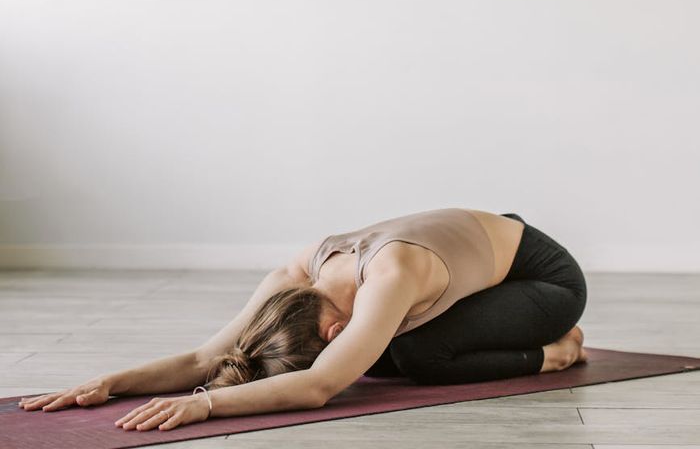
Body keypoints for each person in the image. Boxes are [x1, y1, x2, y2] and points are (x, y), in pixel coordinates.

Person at [18, 208, 588, 432]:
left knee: (414, 357)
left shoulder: (389, 279)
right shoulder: (295, 275)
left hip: (539, 277)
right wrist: (109, 382)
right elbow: (203, 358)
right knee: (382, 360)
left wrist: (205, 404)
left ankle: (556, 351)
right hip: (471, 267)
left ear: (332, 331)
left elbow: (318, 386)